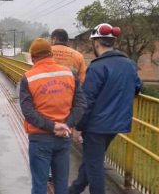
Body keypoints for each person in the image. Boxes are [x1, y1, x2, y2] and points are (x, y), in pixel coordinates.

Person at [69, 23, 142, 194]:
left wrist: (78, 127)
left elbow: (87, 101)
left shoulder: (97, 66)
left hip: (96, 126)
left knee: (94, 167)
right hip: (116, 124)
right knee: (92, 160)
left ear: (96, 43)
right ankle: (74, 190)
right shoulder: (129, 64)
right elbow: (138, 86)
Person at [20, 38, 86, 194]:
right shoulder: (69, 74)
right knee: (61, 183)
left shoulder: (28, 77)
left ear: (33, 56)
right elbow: (81, 105)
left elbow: (28, 112)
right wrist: (66, 125)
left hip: (40, 139)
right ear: (50, 54)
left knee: (39, 184)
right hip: (64, 136)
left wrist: (52, 126)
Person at [51, 28, 87, 144]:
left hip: (47, 95)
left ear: (55, 39)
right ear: (66, 40)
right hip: (68, 98)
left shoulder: (46, 53)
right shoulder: (78, 56)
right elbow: (82, 80)